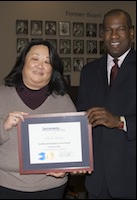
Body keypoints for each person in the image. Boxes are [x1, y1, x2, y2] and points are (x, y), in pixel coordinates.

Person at [0, 39, 78, 199]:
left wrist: (66, 167)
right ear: (23, 62)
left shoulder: (63, 100)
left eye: (47, 62)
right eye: (35, 58)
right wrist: (3, 126)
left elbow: (74, 145)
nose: (40, 65)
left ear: (53, 69)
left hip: (51, 187)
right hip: (7, 186)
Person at [77, 9, 136, 199]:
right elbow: (81, 120)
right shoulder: (88, 72)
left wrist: (120, 122)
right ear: (102, 34)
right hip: (97, 180)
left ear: (132, 32)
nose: (114, 36)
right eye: (108, 30)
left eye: (120, 29)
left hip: (130, 177)